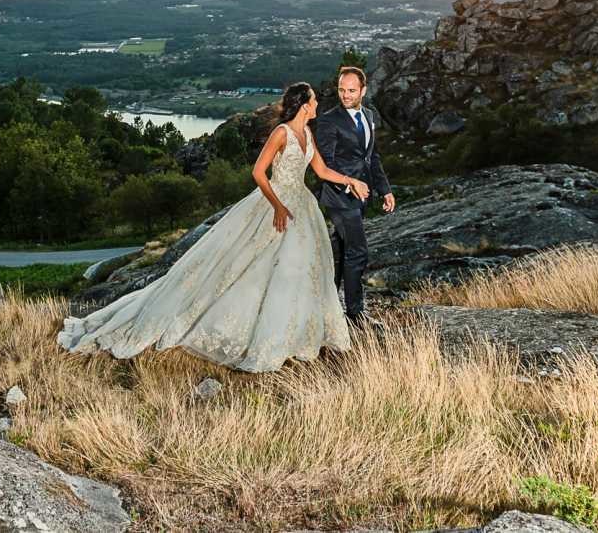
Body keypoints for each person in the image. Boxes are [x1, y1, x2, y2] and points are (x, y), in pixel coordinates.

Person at [56, 82, 370, 372]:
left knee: (298, 270)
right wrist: (276, 205)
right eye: (313, 100)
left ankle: (293, 332)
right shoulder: (282, 133)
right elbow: (259, 173)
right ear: (303, 105)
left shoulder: (308, 135)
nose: (317, 104)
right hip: (275, 203)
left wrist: (352, 181)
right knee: (245, 265)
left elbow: (322, 170)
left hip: (301, 207)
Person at [313, 66, 396, 324]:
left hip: (362, 196)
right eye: (341, 90)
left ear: (363, 90)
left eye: (351, 90)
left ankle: (329, 307)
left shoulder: (369, 115)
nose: (345, 95)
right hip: (339, 197)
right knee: (358, 251)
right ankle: (355, 313)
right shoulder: (328, 120)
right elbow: (325, 165)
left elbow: (372, 158)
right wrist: (350, 184)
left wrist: (385, 189)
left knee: (341, 250)